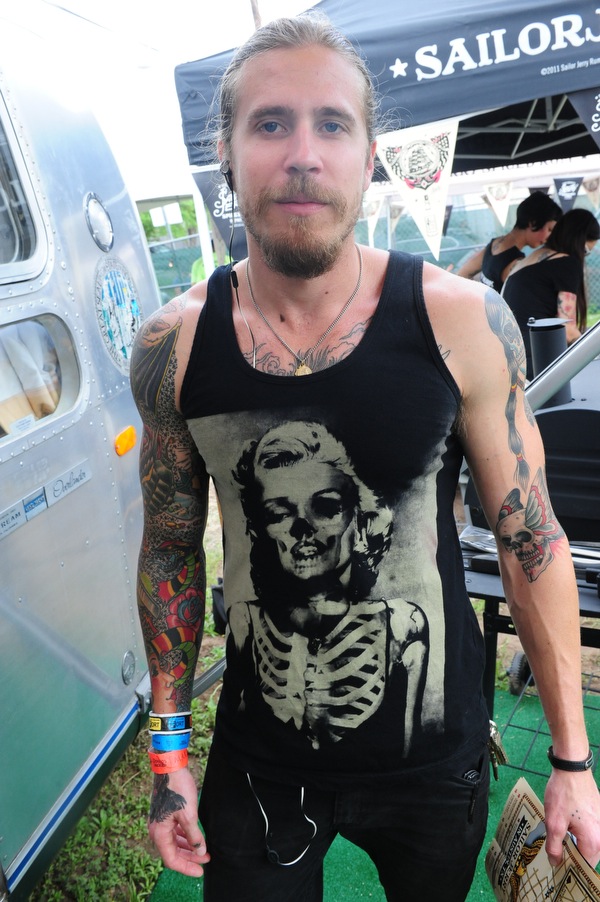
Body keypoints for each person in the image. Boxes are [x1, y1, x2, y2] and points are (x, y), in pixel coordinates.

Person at [130, 13, 600, 901]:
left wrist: (572, 761)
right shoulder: (174, 345)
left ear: (369, 154)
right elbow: (169, 551)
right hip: (257, 764)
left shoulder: (462, 320)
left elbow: (530, 540)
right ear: (226, 152)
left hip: (435, 764)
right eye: (271, 123)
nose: (303, 154)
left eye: (332, 124)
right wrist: (168, 753)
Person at [501, 207, 599, 379]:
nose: (584, 256)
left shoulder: (534, 257)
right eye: (586, 250)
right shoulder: (566, 263)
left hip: (509, 353)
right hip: (535, 355)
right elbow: (568, 330)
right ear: (578, 240)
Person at [455, 191, 562, 292]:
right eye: (549, 229)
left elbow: (462, 274)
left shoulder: (494, 244)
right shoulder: (516, 263)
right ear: (533, 223)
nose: (549, 236)